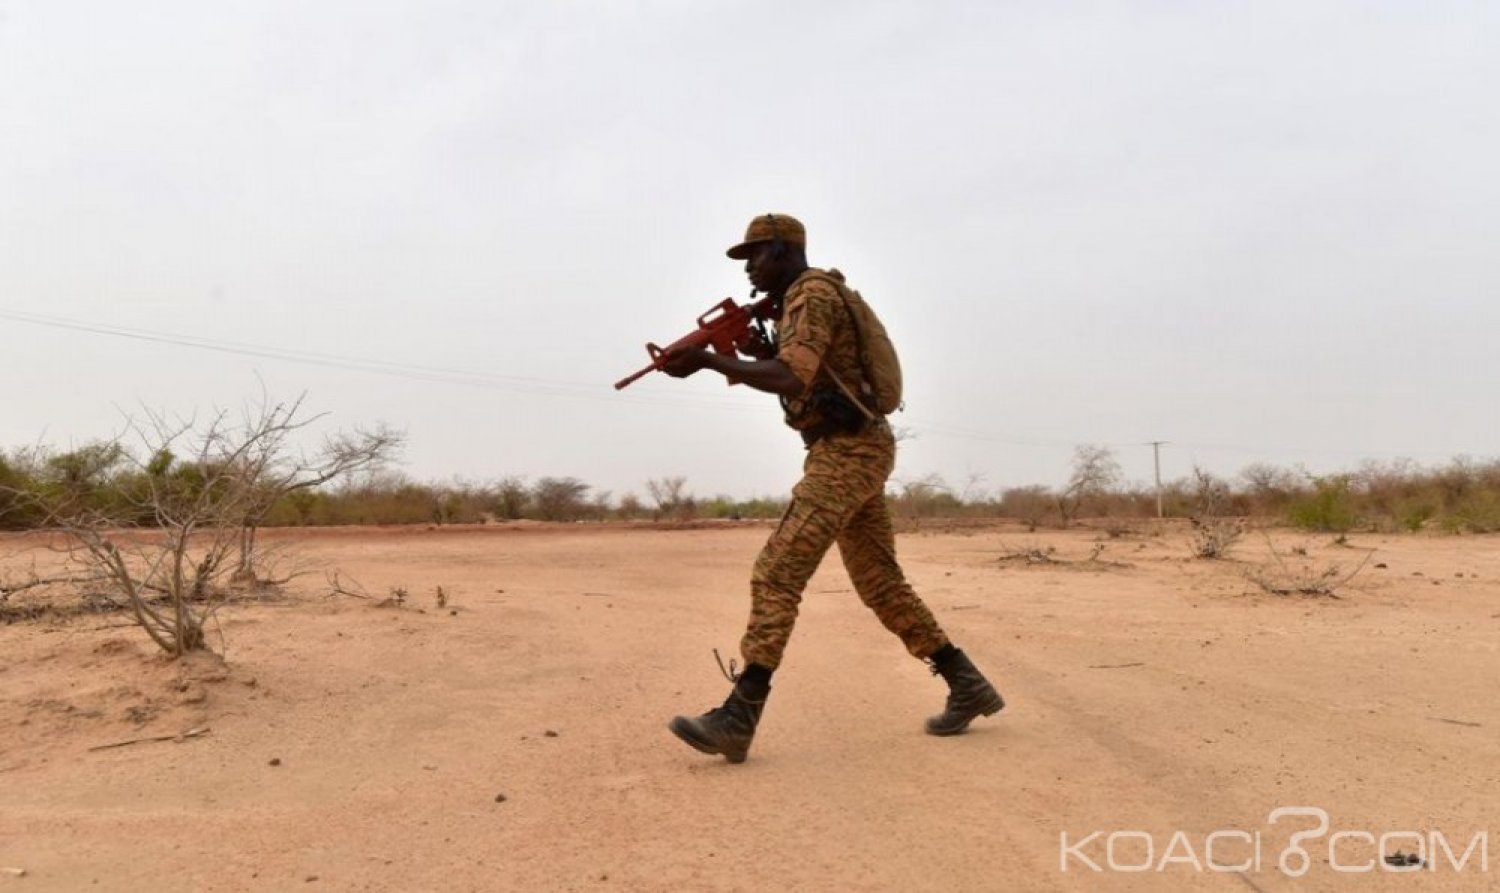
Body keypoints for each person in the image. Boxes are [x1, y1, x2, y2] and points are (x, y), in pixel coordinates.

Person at [659, 213, 1004, 763]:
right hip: (852, 447)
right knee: (879, 582)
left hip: (849, 450)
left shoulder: (809, 295)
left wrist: (708, 360)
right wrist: (746, 352)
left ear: (783, 250)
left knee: (778, 570)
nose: (748, 267)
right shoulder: (806, 297)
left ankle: (739, 715)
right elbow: (801, 371)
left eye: (755, 254)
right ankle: (966, 683)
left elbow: (792, 376)